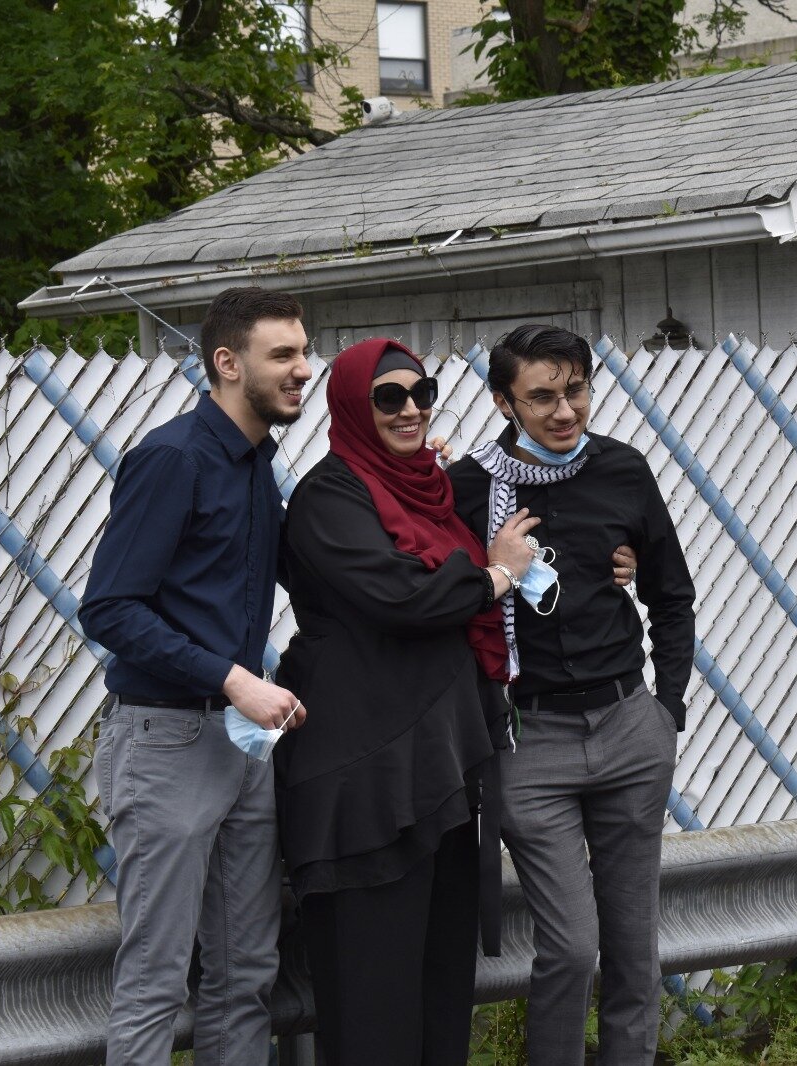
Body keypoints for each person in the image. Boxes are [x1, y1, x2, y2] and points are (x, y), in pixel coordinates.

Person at [273, 339, 535, 1065]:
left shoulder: (429, 491)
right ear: (354, 407)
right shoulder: (329, 498)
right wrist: (494, 578)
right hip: (365, 783)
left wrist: (619, 561)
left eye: (422, 393)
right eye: (389, 397)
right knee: (374, 1011)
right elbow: (403, 598)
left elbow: (540, 507)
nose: (410, 409)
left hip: (440, 774)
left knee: (440, 1001)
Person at [448, 324, 696, 1066]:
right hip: (530, 740)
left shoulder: (622, 469)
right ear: (504, 402)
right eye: (542, 397)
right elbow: (437, 599)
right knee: (570, 946)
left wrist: (667, 710)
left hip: (628, 724)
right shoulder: (471, 487)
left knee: (633, 947)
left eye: (576, 391)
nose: (564, 411)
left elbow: (670, 594)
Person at [82, 286, 311, 1065]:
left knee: (246, 974)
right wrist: (233, 679)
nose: (302, 369)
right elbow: (109, 608)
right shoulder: (173, 457)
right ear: (227, 363)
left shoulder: (255, 465)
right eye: (283, 354)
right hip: (166, 740)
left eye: (304, 352)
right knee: (156, 978)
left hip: (241, 742)